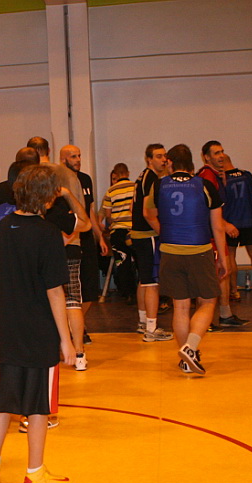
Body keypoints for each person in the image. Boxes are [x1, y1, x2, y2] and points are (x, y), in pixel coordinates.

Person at [0, 164, 73, 483]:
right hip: (39, 331)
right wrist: (66, 340)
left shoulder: (4, 226)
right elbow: (55, 291)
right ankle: (34, 474)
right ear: (48, 198)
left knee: (5, 398)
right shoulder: (48, 233)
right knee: (38, 405)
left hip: (10, 327)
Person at [145, 144, 228, 375]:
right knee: (208, 301)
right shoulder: (205, 185)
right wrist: (223, 258)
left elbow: (148, 213)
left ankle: (185, 360)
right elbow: (218, 227)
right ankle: (190, 347)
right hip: (198, 250)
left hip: (169, 251)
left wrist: (165, 231)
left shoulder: (158, 185)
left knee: (180, 306)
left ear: (170, 163)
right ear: (191, 162)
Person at [59, 145, 108, 359]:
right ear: (63, 159)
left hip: (85, 236)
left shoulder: (85, 179)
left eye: (79, 155)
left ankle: (77, 325)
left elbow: (90, 211)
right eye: (73, 156)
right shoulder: (59, 179)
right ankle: (70, 331)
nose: (78, 159)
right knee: (67, 291)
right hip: (68, 237)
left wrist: (100, 237)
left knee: (88, 287)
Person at [198, 141, 248, 328]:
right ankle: (207, 319)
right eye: (216, 153)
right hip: (211, 234)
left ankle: (224, 314)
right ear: (206, 157)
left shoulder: (216, 175)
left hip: (216, 231)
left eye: (222, 152)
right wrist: (225, 225)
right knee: (214, 275)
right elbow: (206, 206)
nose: (221, 156)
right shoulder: (207, 176)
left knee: (223, 273)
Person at [131, 144, 174, 342]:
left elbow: (134, 206)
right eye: (158, 156)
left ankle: (143, 322)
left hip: (139, 235)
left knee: (144, 281)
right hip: (147, 235)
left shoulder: (142, 176)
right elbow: (147, 212)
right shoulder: (151, 179)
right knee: (152, 283)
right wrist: (163, 233)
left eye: (165, 156)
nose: (163, 160)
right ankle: (151, 328)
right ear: (149, 159)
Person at [220, 154, 252, 302]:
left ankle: (234, 291)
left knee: (230, 256)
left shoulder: (223, 179)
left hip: (231, 222)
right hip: (249, 220)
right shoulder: (247, 175)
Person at [102, 163, 138, 304]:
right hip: (134, 231)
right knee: (140, 262)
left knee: (122, 263)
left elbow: (108, 215)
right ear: (128, 173)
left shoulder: (110, 191)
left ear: (116, 175)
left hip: (117, 232)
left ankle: (127, 294)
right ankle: (142, 292)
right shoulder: (135, 187)